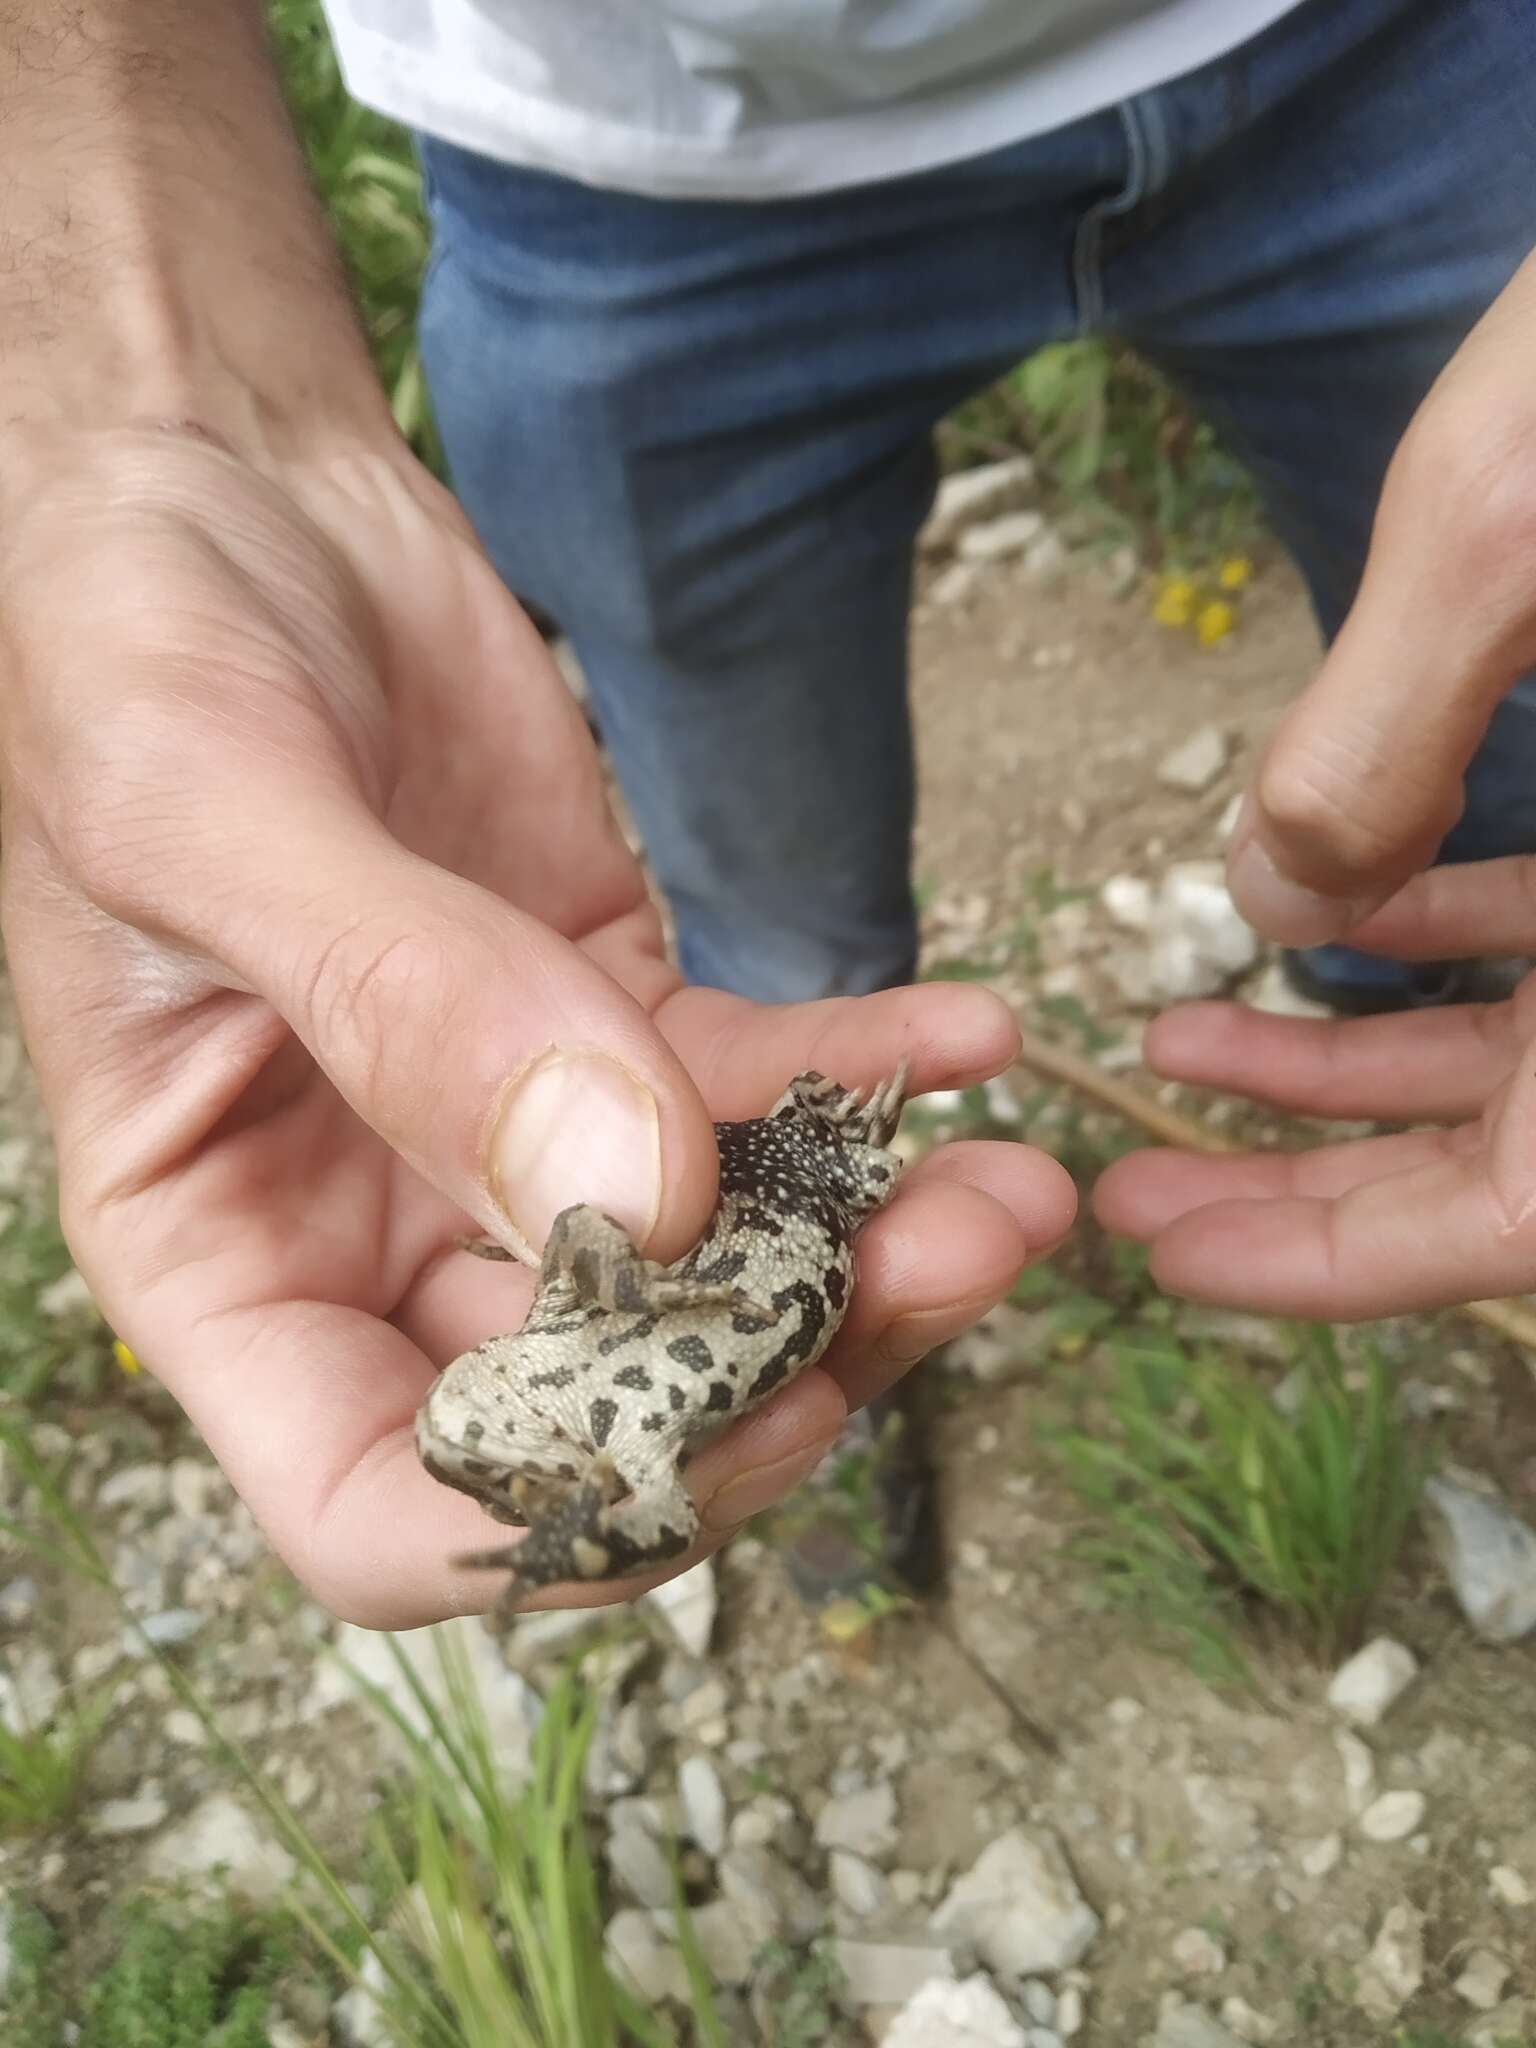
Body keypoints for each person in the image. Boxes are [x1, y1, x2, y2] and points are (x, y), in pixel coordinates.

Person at [0, 0, 1532, 1631]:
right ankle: (863, 1392)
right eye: (505, 1443)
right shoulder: (630, 1416)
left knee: (1484, 766)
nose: (496, 1415)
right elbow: (614, 1387)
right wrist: (138, 395)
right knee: (778, 948)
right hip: (631, 168)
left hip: (1402, 51)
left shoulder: (591, 1351)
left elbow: (594, 1292)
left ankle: (1412, 1042)